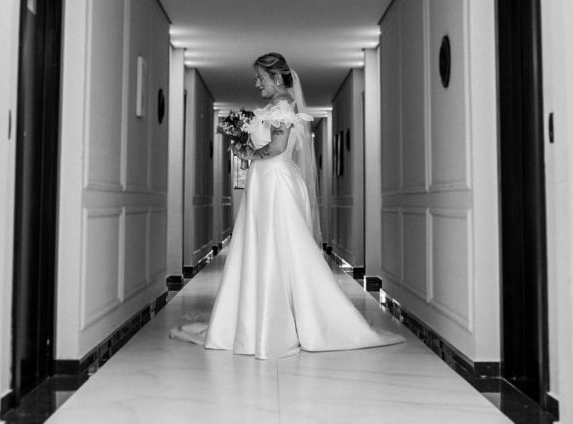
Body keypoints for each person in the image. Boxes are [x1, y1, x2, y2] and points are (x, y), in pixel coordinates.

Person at [172, 52, 404, 359]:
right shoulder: (274, 107)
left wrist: (248, 154)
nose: (257, 83)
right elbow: (267, 143)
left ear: (276, 78)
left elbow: (278, 146)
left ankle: (278, 326)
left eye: (261, 78)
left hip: (276, 183)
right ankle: (259, 320)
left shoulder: (282, 106)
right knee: (263, 247)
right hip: (265, 181)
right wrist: (244, 145)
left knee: (279, 247)